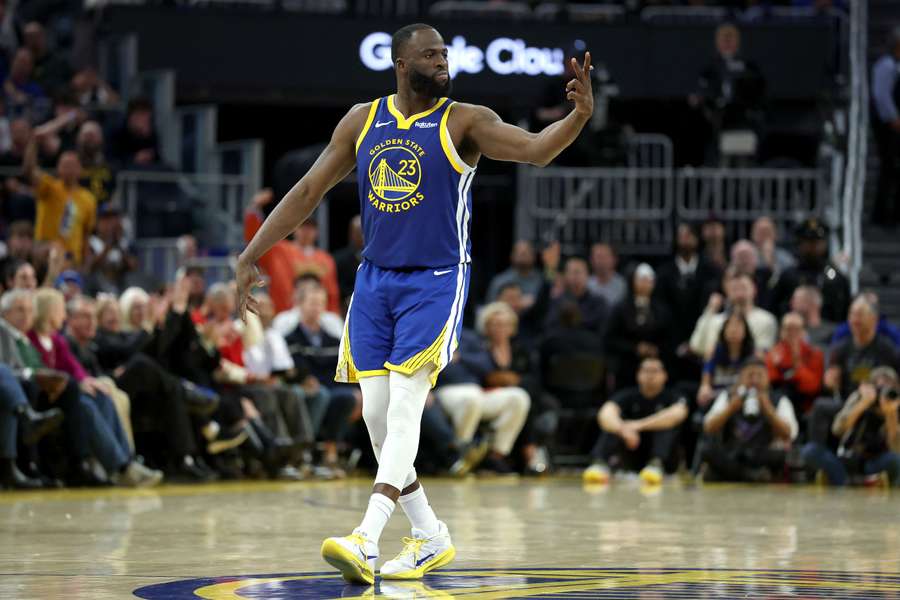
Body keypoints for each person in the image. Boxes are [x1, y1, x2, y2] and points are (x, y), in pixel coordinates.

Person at [236, 23, 594, 584]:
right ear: (402, 64)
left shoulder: (465, 120)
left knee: (405, 408)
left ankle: (366, 535)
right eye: (431, 54)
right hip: (374, 281)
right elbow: (308, 193)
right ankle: (429, 535)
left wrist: (576, 118)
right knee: (377, 419)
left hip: (435, 278)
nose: (442, 61)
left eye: (445, 53)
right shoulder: (362, 119)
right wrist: (249, 255)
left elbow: (535, 150)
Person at [434, 303, 532, 475]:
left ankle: (495, 456)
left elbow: (485, 364)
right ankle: (460, 456)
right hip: (445, 390)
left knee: (519, 397)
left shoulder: (469, 337)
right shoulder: (430, 334)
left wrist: (461, 357)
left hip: (475, 390)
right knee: (472, 398)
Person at [583, 358, 688, 485]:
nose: (650, 375)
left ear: (665, 375)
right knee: (614, 421)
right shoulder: (626, 395)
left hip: (665, 457)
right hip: (631, 451)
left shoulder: (674, 396)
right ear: (638, 375)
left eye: (655, 371)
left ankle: (656, 465)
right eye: (646, 371)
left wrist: (638, 426)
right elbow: (605, 414)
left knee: (665, 423)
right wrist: (623, 429)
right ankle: (599, 464)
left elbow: (677, 414)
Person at [701, 356, 798, 482]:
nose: (755, 380)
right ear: (741, 378)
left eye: (759, 375)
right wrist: (730, 408)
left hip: (761, 454)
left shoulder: (779, 399)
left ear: (767, 378)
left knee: (781, 456)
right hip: (733, 453)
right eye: (750, 375)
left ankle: (735, 475)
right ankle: (749, 475)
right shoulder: (728, 396)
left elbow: (789, 434)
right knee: (707, 450)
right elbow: (708, 428)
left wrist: (768, 409)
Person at [804, 366, 900, 487]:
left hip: (872, 462)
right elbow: (838, 430)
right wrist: (863, 404)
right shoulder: (859, 397)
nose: (884, 392)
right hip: (843, 458)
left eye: (889, 388)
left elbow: (896, 449)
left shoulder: (896, 405)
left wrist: (890, 415)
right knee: (810, 450)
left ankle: (859, 480)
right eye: (879, 387)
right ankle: (845, 481)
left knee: (896, 460)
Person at [24, 112, 97, 267]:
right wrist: (34, 143)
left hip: (72, 261)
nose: (68, 169)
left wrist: (85, 265)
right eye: (64, 165)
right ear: (58, 169)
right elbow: (29, 171)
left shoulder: (88, 198)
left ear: (80, 170)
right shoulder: (49, 187)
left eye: (72, 165)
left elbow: (86, 235)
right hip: (46, 257)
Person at [654, 223, 721, 381]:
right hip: (672, 343)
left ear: (697, 240)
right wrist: (678, 344)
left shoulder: (711, 271)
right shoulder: (664, 273)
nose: (685, 241)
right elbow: (661, 309)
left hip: (702, 340)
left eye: (689, 236)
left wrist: (695, 343)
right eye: (681, 237)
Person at [605, 263, 670, 389]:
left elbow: (669, 338)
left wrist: (655, 349)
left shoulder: (662, 310)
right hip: (626, 368)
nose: (646, 284)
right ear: (633, 281)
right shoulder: (620, 308)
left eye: (649, 280)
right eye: (642, 279)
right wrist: (635, 348)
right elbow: (609, 338)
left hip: (655, 366)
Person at [773, 218, 850, 323]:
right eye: (808, 242)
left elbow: (844, 313)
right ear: (800, 244)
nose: (814, 247)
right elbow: (776, 309)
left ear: (825, 244)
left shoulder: (837, 278)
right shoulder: (787, 276)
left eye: (818, 242)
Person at [689, 270, 777, 359]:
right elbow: (696, 346)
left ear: (754, 289)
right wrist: (710, 310)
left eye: (743, 287)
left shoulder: (766, 319)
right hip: (717, 371)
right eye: (734, 288)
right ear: (727, 292)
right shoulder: (716, 321)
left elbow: (764, 354)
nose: (739, 293)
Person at [765, 312, 824, 415]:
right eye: (788, 328)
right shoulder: (774, 353)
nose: (791, 333)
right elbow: (771, 379)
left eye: (796, 329)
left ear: (803, 332)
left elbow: (812, 387)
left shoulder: (814, 354)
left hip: (805, 403)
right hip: (779, 399)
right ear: (781, 331)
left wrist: (797, 365)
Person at [871, 27, 900, 227]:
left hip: (893, 124)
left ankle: (893, 214)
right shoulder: (886, 66)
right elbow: (881, 96)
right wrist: (893, 118)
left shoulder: (896, 66)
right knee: (889, 168)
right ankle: (881, 215)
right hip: (887, 125)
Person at [697, 310, 756, 409]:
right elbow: (707, 375)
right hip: (715, 396)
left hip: (741, 397)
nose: (733, 330)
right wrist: (704, 387)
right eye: (730, 326)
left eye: (738, 326)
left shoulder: (752, 354)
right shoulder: (714, 351)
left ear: (746, 331)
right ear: (723, 330)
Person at [544, 256, 609, 336]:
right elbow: (551, 326)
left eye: (578, 272)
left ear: (588, 275)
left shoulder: (599, 302)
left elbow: (601, 328)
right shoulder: (557, 301)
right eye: (571, 272)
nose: (575, 277)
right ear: (565, 276)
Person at [789, 285, 834, 350]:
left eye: (795, 299)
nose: (791, 303)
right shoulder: (791, 332)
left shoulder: (832, 332)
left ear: (810, 302)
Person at [333, 215, 364, 309]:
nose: (362, 236)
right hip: (346, 305)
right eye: (358, 232)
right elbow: (337, 286)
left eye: (363, 231)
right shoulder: (339, 259)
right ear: (351, 234)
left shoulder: (377, 257)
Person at [586, 242, 626, 308]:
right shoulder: (586, 284)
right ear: (591, 260)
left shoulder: (622, 285)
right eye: (598, 257)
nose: (601, 261)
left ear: (614, 259)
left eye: (605, 257)